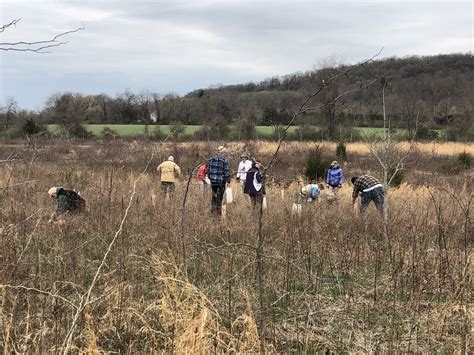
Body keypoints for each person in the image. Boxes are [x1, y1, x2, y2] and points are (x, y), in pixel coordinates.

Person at [207, 146, 230, 216]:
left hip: (213, 182)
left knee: (214, 197)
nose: (225, 153)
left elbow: (208, 172)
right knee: (219, 198)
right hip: (221, 183)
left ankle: (213, 212)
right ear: (222, 152)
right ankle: (218, 214)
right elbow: (226, 172)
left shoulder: (211, 159)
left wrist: (211, 179)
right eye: (225, 152)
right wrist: (228, 181)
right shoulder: (224, 160)